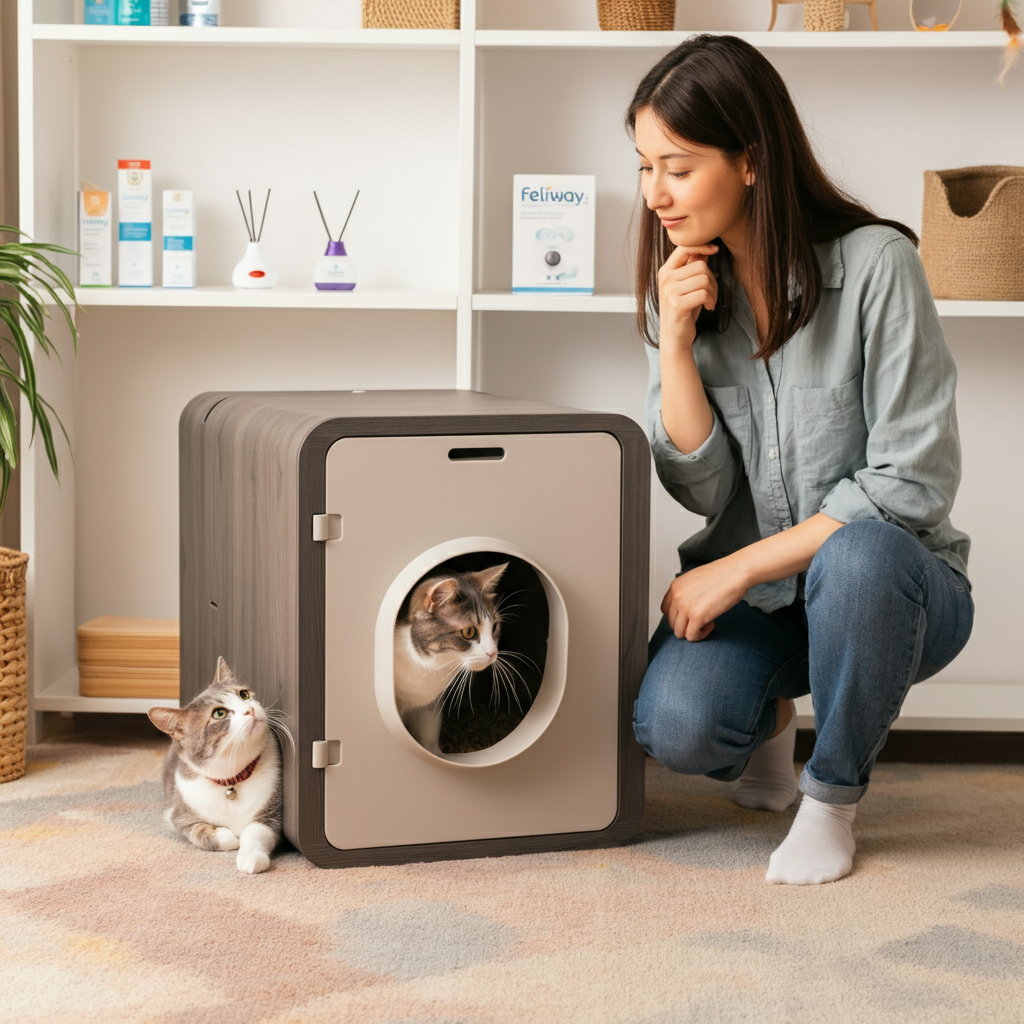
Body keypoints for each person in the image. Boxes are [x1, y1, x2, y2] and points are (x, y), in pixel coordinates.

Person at [628, 35, 974, 885]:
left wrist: (735, 570)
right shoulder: (679, 285)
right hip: (770, 604)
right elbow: (700, 485)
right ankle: (771, 721)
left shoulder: (877, 266)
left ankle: (832, 801)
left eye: (677, 166)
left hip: (898, 593)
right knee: (677, 730)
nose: (655, 194)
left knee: (858, 556)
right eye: (643, 167)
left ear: (749, 160)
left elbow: (911, 482)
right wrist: (675, 344)